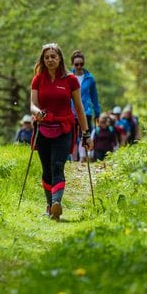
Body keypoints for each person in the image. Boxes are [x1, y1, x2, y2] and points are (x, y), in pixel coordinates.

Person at [29, 43, 91, 220]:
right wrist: (37, 112)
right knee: (46, 169)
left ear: (60, 59)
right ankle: (50, 206)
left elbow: (79, 108)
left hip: (64, 129)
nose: (50, 60)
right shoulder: (38, 79)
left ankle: (57, 202)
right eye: (47, 57)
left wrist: (86, 134)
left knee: (57, 165)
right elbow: (32, 104)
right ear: (43, 59)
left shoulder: (70, 80)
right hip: (43, 128)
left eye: (53, 56)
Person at [70, 51, 101, 161]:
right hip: (71, 112)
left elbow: (94, 97)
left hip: (86, 111)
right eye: (76, 64)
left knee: (85, 135)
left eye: (81, 64)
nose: (79, 67)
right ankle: (73, 160)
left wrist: (97, 112)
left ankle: (84, 159)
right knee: (72, 137)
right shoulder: (68, 77)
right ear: (72, 64)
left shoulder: (90, 78)